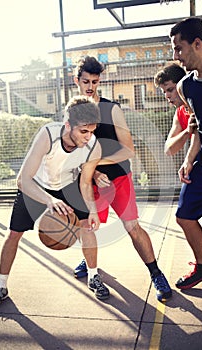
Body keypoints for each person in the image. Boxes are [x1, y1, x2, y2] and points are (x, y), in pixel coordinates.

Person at [0, 95, 108, 312]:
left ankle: (93, 276)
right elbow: (22, 180)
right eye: (83, 131)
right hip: (36, 184)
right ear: (68, 125)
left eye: (92, 131)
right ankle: (1, 286)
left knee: (87, 225)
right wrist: (49, 200)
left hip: (68, 185)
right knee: (13, 233)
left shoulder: (93, 147)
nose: (89, 137)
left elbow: (86, 184)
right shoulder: (48, 135)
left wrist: (93, 211)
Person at [72, 56, 172, 302]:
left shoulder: (111, 109)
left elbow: (128, 150)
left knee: (132, 228)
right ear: (76, 81)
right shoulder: (72, 112)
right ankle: (89, 261)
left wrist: (97, 164)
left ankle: (156, 273)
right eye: (86, 81)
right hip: (90, 181)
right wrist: (93, 172)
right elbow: (74, 153)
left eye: (95, 81)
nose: (90, 86)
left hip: (118, 179)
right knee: (87, 227)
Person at [169, 17, 202, 290]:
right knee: (185, 215)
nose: (176, 56)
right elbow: (196, 126)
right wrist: (188, 159)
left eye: (178, 48)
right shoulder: (186, 86)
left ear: (197, 44)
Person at [154, 63, 202, 265]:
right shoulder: (180, 113)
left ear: (182, 85)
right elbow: (169, 148)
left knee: (195, 216)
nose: (168, 96)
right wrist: (186, 131)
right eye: (164, 92)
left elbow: (200, 137)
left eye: (170, 89)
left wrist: (189, 159)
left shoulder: (201, 99)